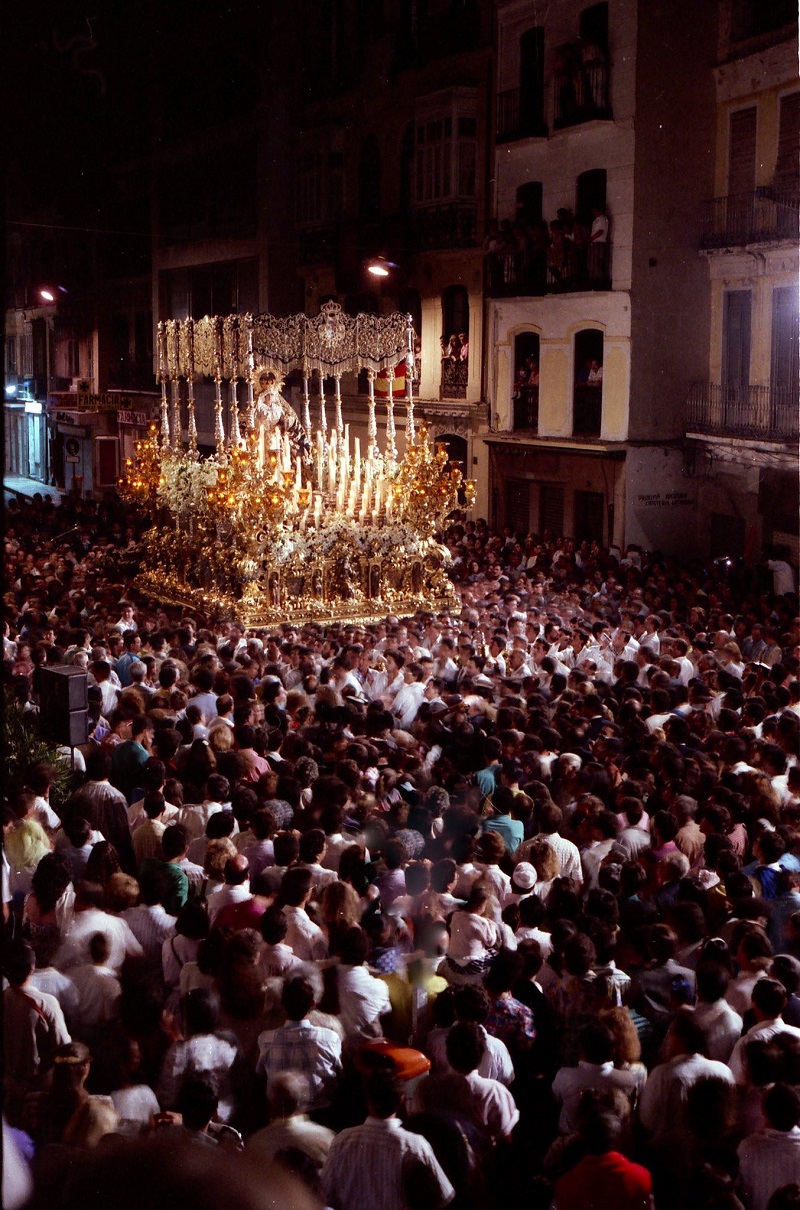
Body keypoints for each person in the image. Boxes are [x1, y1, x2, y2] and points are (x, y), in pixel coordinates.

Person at [322, 1070, 454, 1210]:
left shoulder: (342, 1140)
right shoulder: (416, 1146)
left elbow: (325, 1193)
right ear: (401, 1100)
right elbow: (444, 1196)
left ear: (368, 1100)